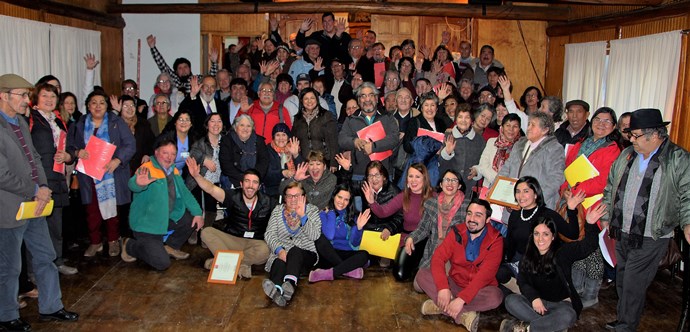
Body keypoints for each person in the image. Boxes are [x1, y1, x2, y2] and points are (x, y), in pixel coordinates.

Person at [0, 74, 79, 331]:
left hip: (35, 203)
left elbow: (34, 157)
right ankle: (7, 316)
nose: (27, 100)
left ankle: (51, 306)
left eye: (26, 95)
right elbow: (2, 175)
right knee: (10, 266)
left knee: (46, 256)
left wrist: (43, 186)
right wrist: (35, 189)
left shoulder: (21, 122)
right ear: (4, 95)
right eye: (22, 95)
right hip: (10, 207)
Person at [601, 108, 690, 331]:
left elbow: (688, 193)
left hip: (652, 233)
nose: (631, 139)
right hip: (622, 228)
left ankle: (626, 326)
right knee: (622, 279)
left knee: (633, 282)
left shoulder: (677, 158)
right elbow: (611, 186)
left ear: (656, 135)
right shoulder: (627, 154)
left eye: (636, 135)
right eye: (630, 135)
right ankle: (625, 318)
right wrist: (606, 215)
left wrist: (688, 222)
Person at [500, 202, 607, 332]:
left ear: (553, 236)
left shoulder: (563, 252)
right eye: (536, 233)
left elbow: (588, 246)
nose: (540, 239)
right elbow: (522, 281)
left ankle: (526, 328)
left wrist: (590, 223)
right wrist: (534, 298)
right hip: (538, 303)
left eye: (545, 234)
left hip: (560, 305)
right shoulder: (528, 254)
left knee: (568, 316)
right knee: (511, 301)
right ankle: (549, 326)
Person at [560, 107, 622, 308]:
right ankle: (576, 288)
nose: (601, 124)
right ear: (591, 121)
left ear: (613, 127)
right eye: (598, 119)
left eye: (607, 121)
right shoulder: (580, 143)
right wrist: (566, 191)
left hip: (595, 205)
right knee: (574, 243)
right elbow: (567, 171)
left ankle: (591, 294)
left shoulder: (613, 149)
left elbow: (604, 180)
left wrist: (577, 189)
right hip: (574, 202)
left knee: (592, 250)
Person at [416, 199, 504, 332]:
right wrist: (443, 288)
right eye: (469, 213)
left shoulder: (496, 240)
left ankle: (441, 307)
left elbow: (486, 274)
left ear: (487, 219)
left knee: (496, 297)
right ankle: (464, 315)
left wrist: (462, 299)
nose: (472, 219)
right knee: (422, 274)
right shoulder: (457, 231)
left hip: (478, 289)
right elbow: (438, 258)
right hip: (454, 284)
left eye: (478, 215)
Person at [68, 90, 136, 258]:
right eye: (94, 103)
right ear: (88, 106)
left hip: (111, 174)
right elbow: (69, 146)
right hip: (89, 175)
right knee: (92, 211)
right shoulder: (79, 124)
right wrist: (77, 152)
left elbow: (130, 144)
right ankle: (95, 242)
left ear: (107, 106)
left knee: (112, 209)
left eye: (102, 103)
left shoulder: (116, 122)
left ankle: (113, 240)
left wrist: (117, 160)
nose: (98, 106)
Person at [121, 138, 203, 269]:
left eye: (173, 154)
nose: (169, 157)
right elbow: (133, 184)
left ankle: (170, 246)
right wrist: (138, 183)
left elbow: (185, 193)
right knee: (162, 264)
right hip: (147, 225)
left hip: (166, 217)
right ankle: (129, 245)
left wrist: (198, 213)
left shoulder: (173, 170)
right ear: (156, 152)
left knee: (191, 219)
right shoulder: (147, 169)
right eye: (165, 153)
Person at [497, 176, 580, 294]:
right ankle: (530, 295)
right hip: (519, 262)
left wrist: (571, 210)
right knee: (501, 277)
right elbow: (510, 243)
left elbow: (573, 234)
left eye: (526, 191)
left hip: (541, 264)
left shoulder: (547, 214)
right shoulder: (515, 214)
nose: (521, 196)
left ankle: (533, 295)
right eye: (518, 191)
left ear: (536, 194)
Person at [189, 162, 271, 279]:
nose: (250, 186)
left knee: (266, 250)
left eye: (255, 182)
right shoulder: (233, 196)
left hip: (254, 242)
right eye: (247, 181)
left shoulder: (268, 202)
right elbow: (211, 189)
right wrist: (197, 176)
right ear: (241, 184)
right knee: (206, 232)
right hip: (232, 238)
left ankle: (222, 262)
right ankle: (241, 264)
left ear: (259, 186)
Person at [29, 83, 78, 276]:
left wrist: (68, 156)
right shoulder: (30, 119)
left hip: (58, 178)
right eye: (44, 96)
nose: (49, 100)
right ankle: (33, 272)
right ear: (36, 98)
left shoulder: (58, 120)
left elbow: (68, 148)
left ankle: (57, 261)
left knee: (56, 227)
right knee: (36, 228)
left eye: (52, 96)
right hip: (39, 180)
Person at [364, 163, 435, 281]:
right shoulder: (404, 196)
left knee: (422, 274)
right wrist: (372, 202)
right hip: (407, 239)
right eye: (410, 176)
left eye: (417, 177)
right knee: (399, 274)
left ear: (424, 179)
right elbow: (383, 212)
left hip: (426, 240)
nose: (413, 180)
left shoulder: (433, 197)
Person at [262, 181, 322, 307]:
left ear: (304, 197)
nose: (293, 199)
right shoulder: (278, 211)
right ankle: (277, 290)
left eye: (297, 196)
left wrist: (303, 216)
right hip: (282, 254)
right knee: (278, 261)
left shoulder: (312, 210)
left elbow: (315, 235)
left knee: (295, 251)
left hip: (305, 254)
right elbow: (269, 234)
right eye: (289, 196)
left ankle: (289, 283)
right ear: (285, 198)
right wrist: (280, 250)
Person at [498, 111, 564, 210]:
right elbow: (506, 169)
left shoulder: (554, 148)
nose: (528, 128)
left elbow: (555, 180)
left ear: (545, 130)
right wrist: (494, 190)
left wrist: (534, 201)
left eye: (533, 125)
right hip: (512, 205)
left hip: (538, 208)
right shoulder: (519, 144)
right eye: (528, 124)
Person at [405, 170, 466, 276]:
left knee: (443, 278)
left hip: (455, 252)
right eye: (446, 180)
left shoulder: (467, 206)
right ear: (441, 184)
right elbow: (423, 228)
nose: (450, 183)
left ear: (459, 185)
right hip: (434, 248)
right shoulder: (431, 203)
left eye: (454, 180)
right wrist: (411, 238)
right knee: (419, 283)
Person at [338, 82, 399, 183]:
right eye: (363, 96)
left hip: (384, 173)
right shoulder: (350, 119)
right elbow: (341, 139)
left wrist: (374, 147)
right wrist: (354, 142)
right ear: (358, 100)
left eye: (371, 95)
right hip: (359, 174)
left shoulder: (387, 117)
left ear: (376, 98)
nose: (367, 99)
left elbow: (394, 138)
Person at [309, 185, 372, 282]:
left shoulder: (353, 216)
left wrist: (359, 228)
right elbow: (330, 235)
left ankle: (327, 274)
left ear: (350, 201)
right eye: (339, 197)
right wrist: (330, 213)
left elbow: (355, 243)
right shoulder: (324, 213)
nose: (342, 202)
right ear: (334, 196)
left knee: (364, 255)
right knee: (320, 240)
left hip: (346, 253)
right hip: (329, 254)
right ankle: (347, 270)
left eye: (346, 199)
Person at [186, 113, 225, 236]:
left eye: (219, 121)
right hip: (199, 179)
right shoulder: (201, 142)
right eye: (212, 121)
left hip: (218, 181)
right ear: (207, 125)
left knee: (211, 209)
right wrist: (204, 159)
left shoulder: (225, 141)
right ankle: (193, 232)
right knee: (197, 208)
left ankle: (206, 234)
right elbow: (192, 155)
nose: (216, 124)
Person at [439, 106, 486, 202]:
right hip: (449, 185)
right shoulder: (448, 135)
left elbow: (483, 163)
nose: (463, 120)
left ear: (472, 121)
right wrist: (447, 152)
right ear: (456, 119)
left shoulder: (479, 140)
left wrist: (477, 171)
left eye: (467, 117)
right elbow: (440, 164)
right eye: (460, 117)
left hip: (469, 185)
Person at [146, 34, 218, 95]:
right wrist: (153, 47)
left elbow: (210, 78)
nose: (183, 70)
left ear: (190, 69)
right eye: (180, 68)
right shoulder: (173, 79)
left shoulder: (197, 79)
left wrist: (214, 63)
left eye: (185, 67)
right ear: (176, 71)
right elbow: (162, 64)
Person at [470, 113, 521, 190]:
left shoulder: (522, 147)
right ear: (502, 127)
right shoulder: (492, 142)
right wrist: (499, 181)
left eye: (515, 126)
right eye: (508, 125)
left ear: (519, 129)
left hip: (511, 189)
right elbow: (483, 165)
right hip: (489, 186)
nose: (511, 129)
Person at [291, 88, 338, 170]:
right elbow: (294, 140)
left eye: (312, 98)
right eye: (306, 98)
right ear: (301, 101)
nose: (309, 101)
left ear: (317, 99)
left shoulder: (327, 115)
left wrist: (333, 163)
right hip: (305, 163)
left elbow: (333, 140)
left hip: (324, 161)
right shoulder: (297, 119)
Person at [219, 114, 269, 188]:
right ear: (235, 128)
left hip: (254, 179)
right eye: (242, 125)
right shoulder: (227, 140)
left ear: (252, 129)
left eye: (248, 126)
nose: (245, 129)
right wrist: (244, 179)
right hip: (232, 179)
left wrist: (252, 179)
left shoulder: (260, 141)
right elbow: (226, 164)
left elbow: (263, 163)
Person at [112, 95, 156, 176]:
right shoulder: (115, 123)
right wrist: (116, 112)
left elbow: (152, 142)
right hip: (120, 166)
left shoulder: (143, 123)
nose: (130, 108)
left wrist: (147, 154)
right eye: (126, 106)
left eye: (132, 105)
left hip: (139, 166)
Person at [265, 123, 303, 205]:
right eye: (277, 135)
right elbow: (267, 175)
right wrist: (282, 173)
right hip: (273, 193)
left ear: (288, 137)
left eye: (284, 135)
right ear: (273, 137)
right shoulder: (267, 150)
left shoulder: (293, 148)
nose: (281, 138)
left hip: (292, 192)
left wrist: (296, 155)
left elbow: (303, 171)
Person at [161, 109, 195, 176]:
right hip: (165, 173)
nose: (184, 122)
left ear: (191, 124)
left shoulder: (194, 139)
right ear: (175, 122)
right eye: (180, 119)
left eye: (187, 120)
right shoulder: (166, 138)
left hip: (182, 174)